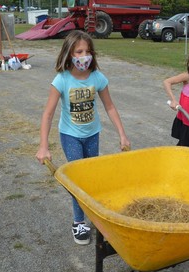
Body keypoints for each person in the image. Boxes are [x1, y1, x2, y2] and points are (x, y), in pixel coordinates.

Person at [35, 30, 130, 245]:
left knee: (91, 178)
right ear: (69, 54)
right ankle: (79, 222)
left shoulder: (97, 77)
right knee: (78, 180)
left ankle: (94, 218)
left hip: (92, 134)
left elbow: (110, 107)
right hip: (70, 136)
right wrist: (43, 145)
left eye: (88, 51)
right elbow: (47, 114)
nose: (84, 56)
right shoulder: (62, 80)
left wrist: (122, 135)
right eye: (79, 51)